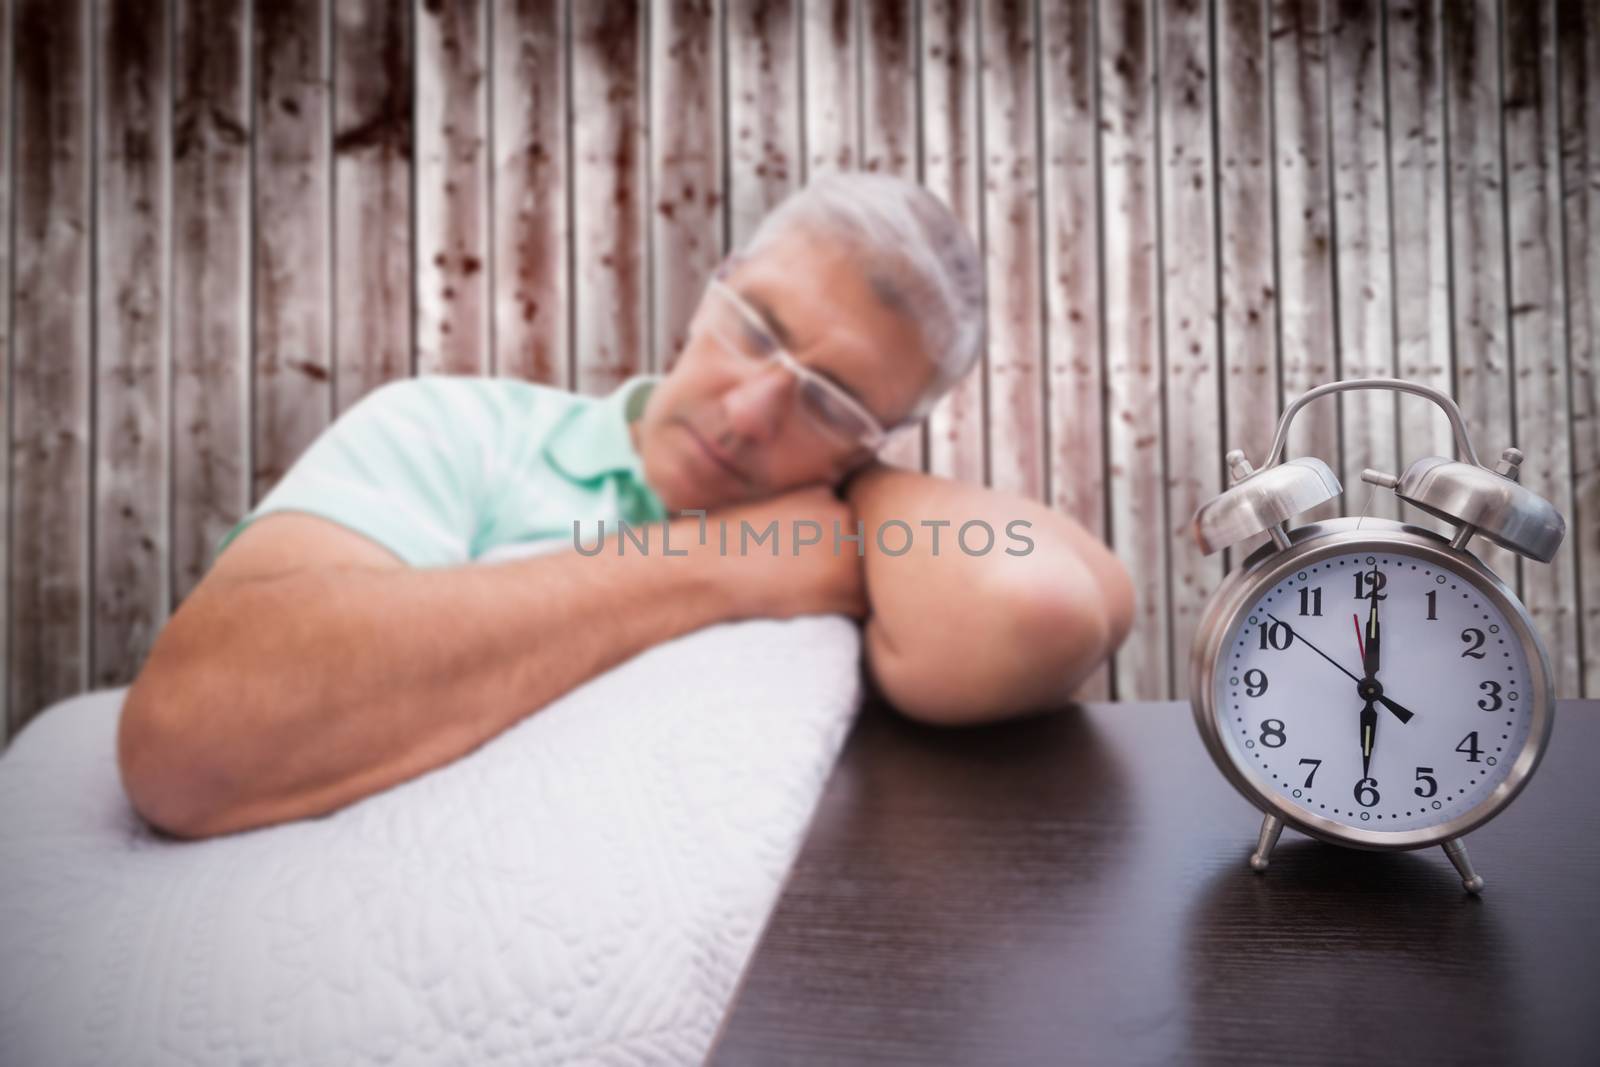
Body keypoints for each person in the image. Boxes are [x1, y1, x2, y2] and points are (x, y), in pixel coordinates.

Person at [116, 172, 1135, 840]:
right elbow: (192, 737)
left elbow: (1030, 603)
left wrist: (863, 489)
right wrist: (721, 565)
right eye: (754, 327)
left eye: (828, 400)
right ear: (712, 287)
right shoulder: (453, 431)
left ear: (884, 432)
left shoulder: (866, 534)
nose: (746, 414)